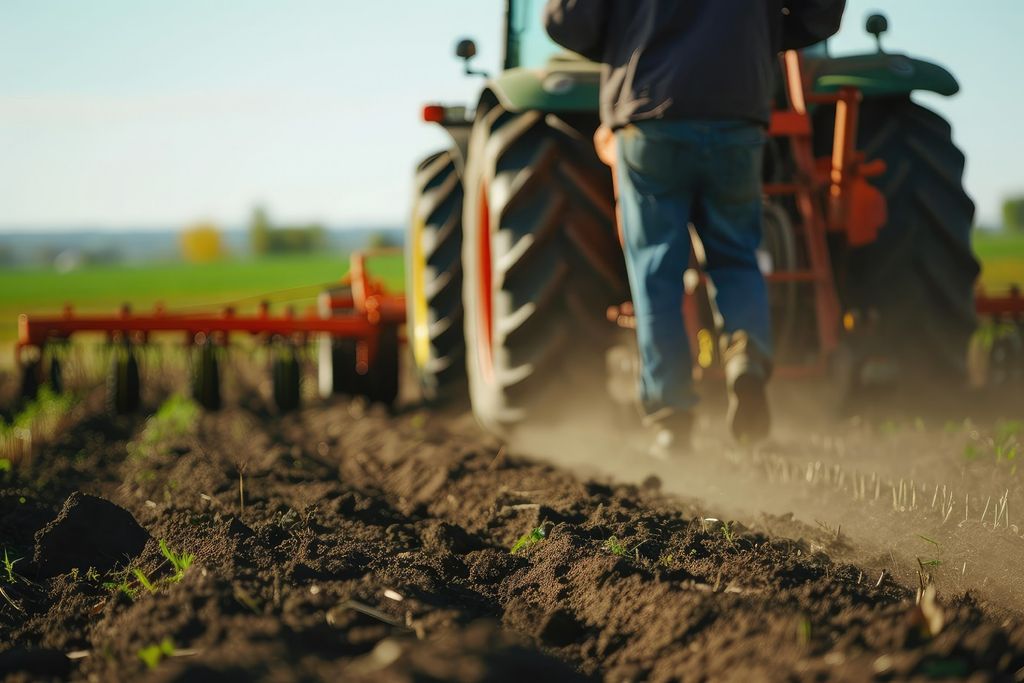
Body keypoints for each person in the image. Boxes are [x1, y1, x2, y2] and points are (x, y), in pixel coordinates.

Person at [544, 0, 845, 454]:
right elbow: (820, 11)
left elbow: (566, 21)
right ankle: (746, 362)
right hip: (737, 113)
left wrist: (625, 41)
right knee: (738, 257)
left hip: (649, 117)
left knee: (656, 273)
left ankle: (672, 419)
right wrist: (754, 41)